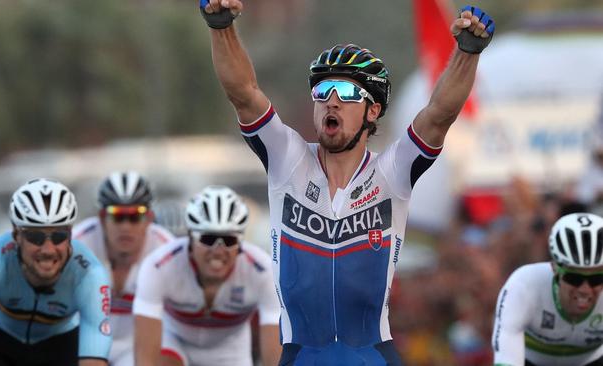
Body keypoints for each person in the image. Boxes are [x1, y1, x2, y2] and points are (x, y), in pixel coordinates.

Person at [199, 0, 495, 364]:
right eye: (322, 93)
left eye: (348, 93)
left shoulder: (392, 173)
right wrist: (221, 27)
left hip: (372, 356)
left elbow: (440, 114)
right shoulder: (287, 158)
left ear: (373, 111)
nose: (332, 103)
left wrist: (467, 51)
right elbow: (243, 93)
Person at [0, 178, 112, 366]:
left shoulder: (90, 274)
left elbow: (93, 359)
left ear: (70, 234)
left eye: (58, 236)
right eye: (35, 236)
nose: (48, 250)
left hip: (58, 346)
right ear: (16, 235)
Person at [133, 185, 281, 366]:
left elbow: (274, 357)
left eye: (229, 240)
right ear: (190, 238)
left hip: (230, 352)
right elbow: (145, 360)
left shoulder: (263, 270)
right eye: (208, 239)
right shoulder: (160, 265)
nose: (218, 251)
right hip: (175, 342)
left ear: (241, 243)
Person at [73, 171, 175, 366]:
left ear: (149, 219)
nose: (126, 227)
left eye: (135, 217)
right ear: (102, 218)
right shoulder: (78, 244)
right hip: (84, 341)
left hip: (136, 346)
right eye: (117, 217)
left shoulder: (164, 250)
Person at [492, 212, 603, 366]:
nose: (585, 289)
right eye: (574, 279)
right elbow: (506, 359)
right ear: (554, 268)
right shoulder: (524, 285)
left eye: (597, 279)